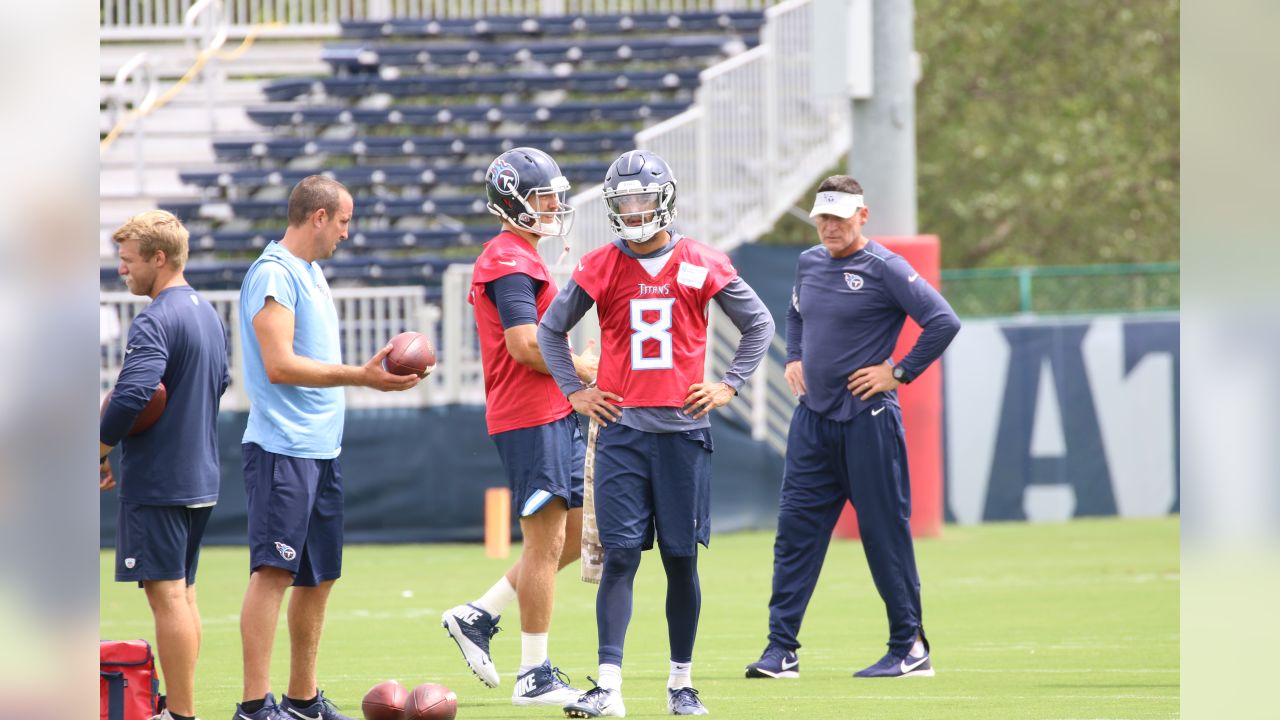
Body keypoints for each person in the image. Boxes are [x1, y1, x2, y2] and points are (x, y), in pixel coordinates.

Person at [538, 150, 775, 718]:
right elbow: (551, 332)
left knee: (679, 559)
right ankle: (610, 689)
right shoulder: (600, 265)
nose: (635, 209)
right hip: (621, 433)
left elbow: (759, 323)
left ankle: (681, 684)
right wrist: (574, 389)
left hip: (682, 432)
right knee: (619, 558)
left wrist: (730, 384)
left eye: (643, 199)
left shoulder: (702, 261)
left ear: (664, 199)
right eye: (624, 202)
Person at [743, 176, 961, 681]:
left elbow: (943, 321)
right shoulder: (810, 262)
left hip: (869, 420)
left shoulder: (886, 267)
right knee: (795, 535)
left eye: (840, 217)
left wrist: (898, 371)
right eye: (823, 216)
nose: (829, 226)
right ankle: (781, 651)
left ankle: (909, 647)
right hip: (812, 421)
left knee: (884, 535)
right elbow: (796, 313)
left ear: (862, 217)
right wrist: (794, 356)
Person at [233, 176, 423, 720]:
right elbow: (280, 364)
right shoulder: (274, 274)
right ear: (318, 217)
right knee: (274, 571)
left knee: (319, 576)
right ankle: (253, 706)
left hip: (321, 449)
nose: (347, 231)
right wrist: (361, 378)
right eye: (343, 221)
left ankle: (301, 700)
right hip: (282, 448)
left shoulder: (313, 274)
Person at [441, 147, 599, 707]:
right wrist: (582, 367)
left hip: (550, 410)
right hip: (529, 414)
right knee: (546, 541)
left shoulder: (522, 256)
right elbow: (525, 344)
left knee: (576, 535)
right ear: (513, 201)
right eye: (543, 197)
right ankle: (534, 673)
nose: (554, 206)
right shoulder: (509, 259)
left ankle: (478, 615)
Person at [99, 210, 230, 720]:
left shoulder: (156, 317)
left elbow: (134, 392)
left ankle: (179, 715)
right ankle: (181, 707)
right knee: (184, 595)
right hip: (200, 475)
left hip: (160, 481)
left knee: (167, 597)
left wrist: (103, 448)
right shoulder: (205, 312)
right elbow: (218, 384)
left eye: (129, 261)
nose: (122, 271)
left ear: (159, 258)